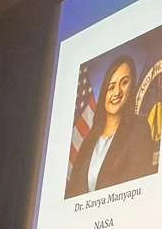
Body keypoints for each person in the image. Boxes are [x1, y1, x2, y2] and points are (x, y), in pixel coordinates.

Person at [65, 56, 154, 198]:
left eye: (124, 82)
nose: (117, 92)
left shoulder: (139, 130)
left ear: (132, 87)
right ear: (104, 92)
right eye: (111, 87)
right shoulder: (89, 141)